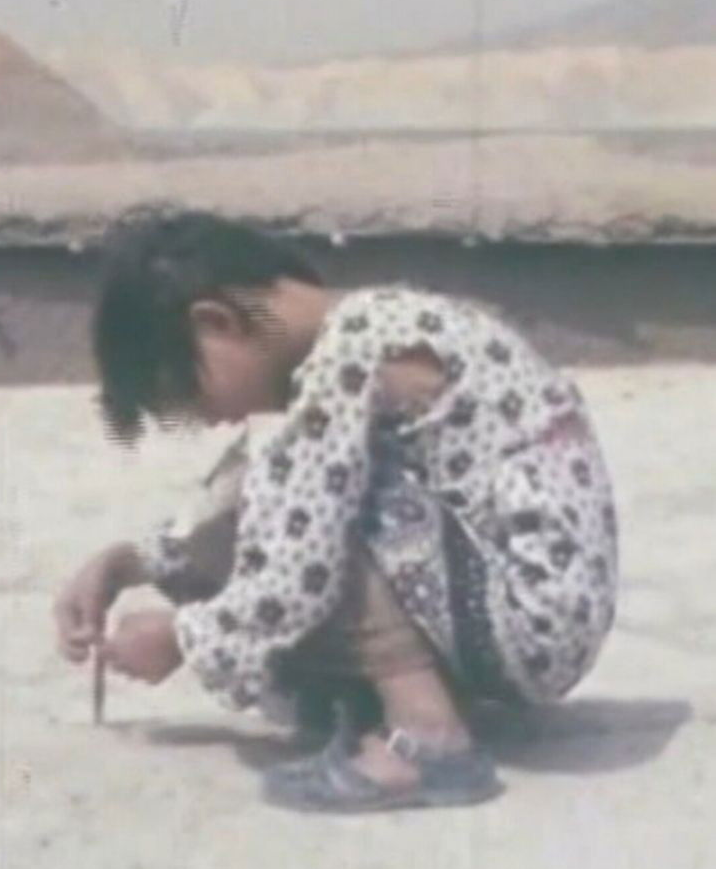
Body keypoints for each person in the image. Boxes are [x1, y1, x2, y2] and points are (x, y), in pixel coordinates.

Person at [54, 212, 618, 813]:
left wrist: (184, 638)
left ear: (216, 324)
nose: (210, 419)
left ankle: (430, 738)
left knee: (304, 497)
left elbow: (296, 568)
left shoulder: (351, 357)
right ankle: (405, 694)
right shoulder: (373, 324)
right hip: (540, 611)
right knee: (289, 473)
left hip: (532, 619)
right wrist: (130, 563)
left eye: (190, 395)